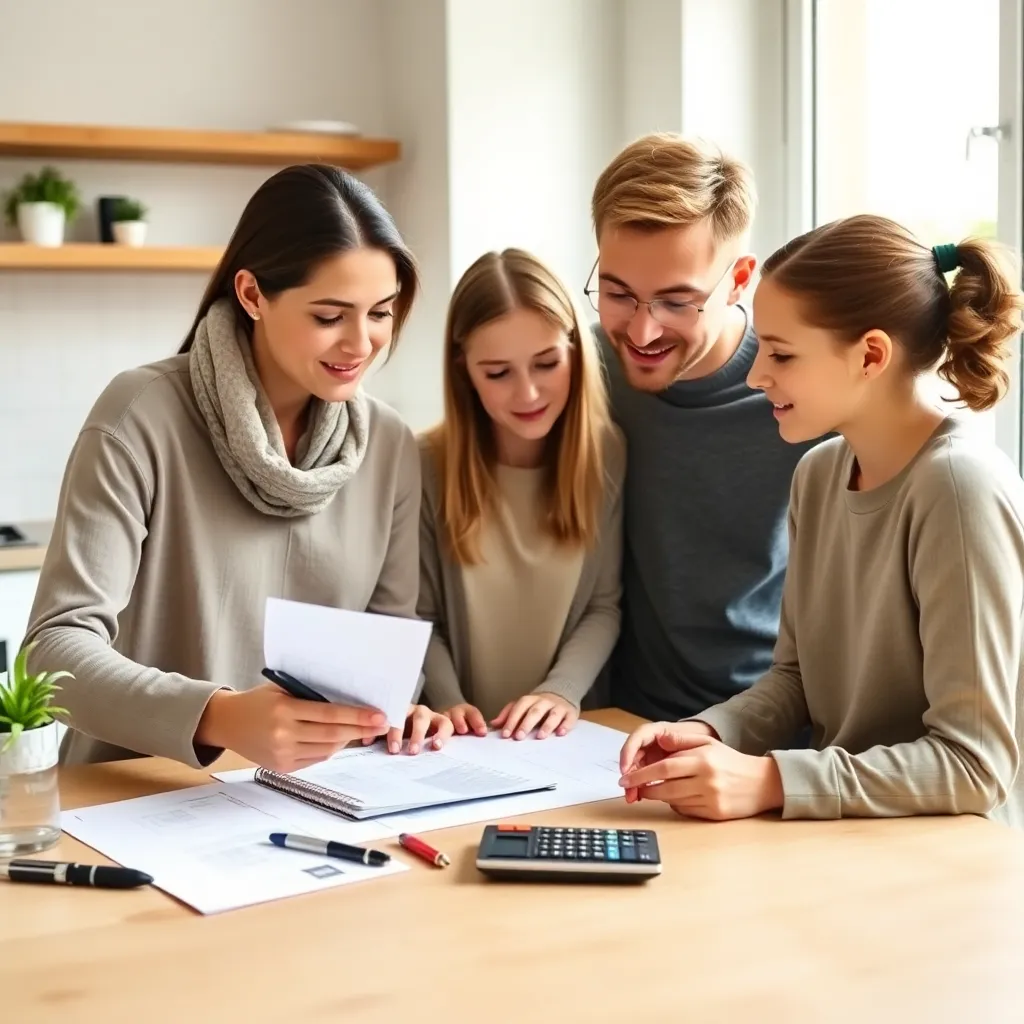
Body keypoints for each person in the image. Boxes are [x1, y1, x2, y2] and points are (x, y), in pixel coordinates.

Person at [23, 163, 453, 771]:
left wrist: (397, 712)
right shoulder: (139, 417)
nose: (361, 344)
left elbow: (382, 644)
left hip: (308, 798)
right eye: (330, 316)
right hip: (130, 796)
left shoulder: (387, 444)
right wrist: (218, 717)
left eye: (380, 313)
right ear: (252, 294)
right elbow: (53, 655)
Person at [618, 214, 1024, 828]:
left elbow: (974, 765)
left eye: (781, 353)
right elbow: (796, 680)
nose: (756, 375)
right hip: (844, 843)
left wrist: (772, 779)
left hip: (951, 869)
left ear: (870, 355)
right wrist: (706, 732)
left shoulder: (958, 489)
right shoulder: (819, 473)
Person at [587, 133, 824, 722]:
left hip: (772, 732)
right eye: (618, 293)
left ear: (741, 279)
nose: (641, 334)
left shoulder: (803, 395)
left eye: (676, 303)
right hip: (617, 730)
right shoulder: (584, 373)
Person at [418, 248, 625, 740]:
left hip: (561, 740)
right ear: (463, 370)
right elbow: (417, 616)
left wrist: (561, 691)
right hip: (456, 741)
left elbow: (604, 606)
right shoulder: (423, 462)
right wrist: (448, 701)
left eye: (547, 363)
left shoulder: (608, 452)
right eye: (498, 373)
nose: (528, 393)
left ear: (575, 349)